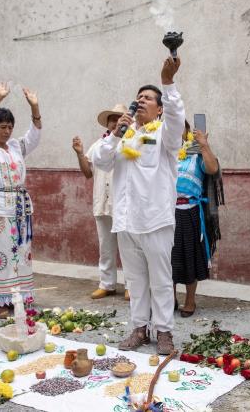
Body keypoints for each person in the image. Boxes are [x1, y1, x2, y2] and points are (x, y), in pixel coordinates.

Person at [92, 56, 185, 355]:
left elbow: (175, 119)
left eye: (148, 98)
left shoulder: (165, 135)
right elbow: (100, 160)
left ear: (159, 108)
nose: (141, 101)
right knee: (135, 280)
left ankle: (165, 332)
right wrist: (117, 133)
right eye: (138, 97)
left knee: (160, 280)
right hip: (126, 221)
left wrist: (167, 83)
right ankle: (139, 329)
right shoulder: (123, 136)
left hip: (155, 220)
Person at [0, 82, 42, 319]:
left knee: (21, 252)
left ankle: (19, 297)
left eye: (10, 127)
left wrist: (35, 107)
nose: (7, 131)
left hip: (19, 206)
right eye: (2, 126)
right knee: (0, 253)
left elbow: (34, 137)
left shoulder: (15, 147)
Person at [72, 103, 130, 301]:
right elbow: (88, 172)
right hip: (102, 203)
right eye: (112, 118)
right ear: (107, 123)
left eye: (119, 118)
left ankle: (131, 286)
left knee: (128, 248)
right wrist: (80, 153)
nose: (115, 121)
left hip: (122, 204)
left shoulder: (130, 142)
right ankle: (107, 284)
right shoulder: (98, 145)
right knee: (106, 248)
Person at [172, 121, 220, 317]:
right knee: (167, 258)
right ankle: (169, 299)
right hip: (166, 211)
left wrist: (204, 146)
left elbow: (212, 169)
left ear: (186, 132)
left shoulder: (196, 154)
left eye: (179, 129)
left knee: (189, 255)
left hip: (190, 210)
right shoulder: (164, 153)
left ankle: (190, 301)